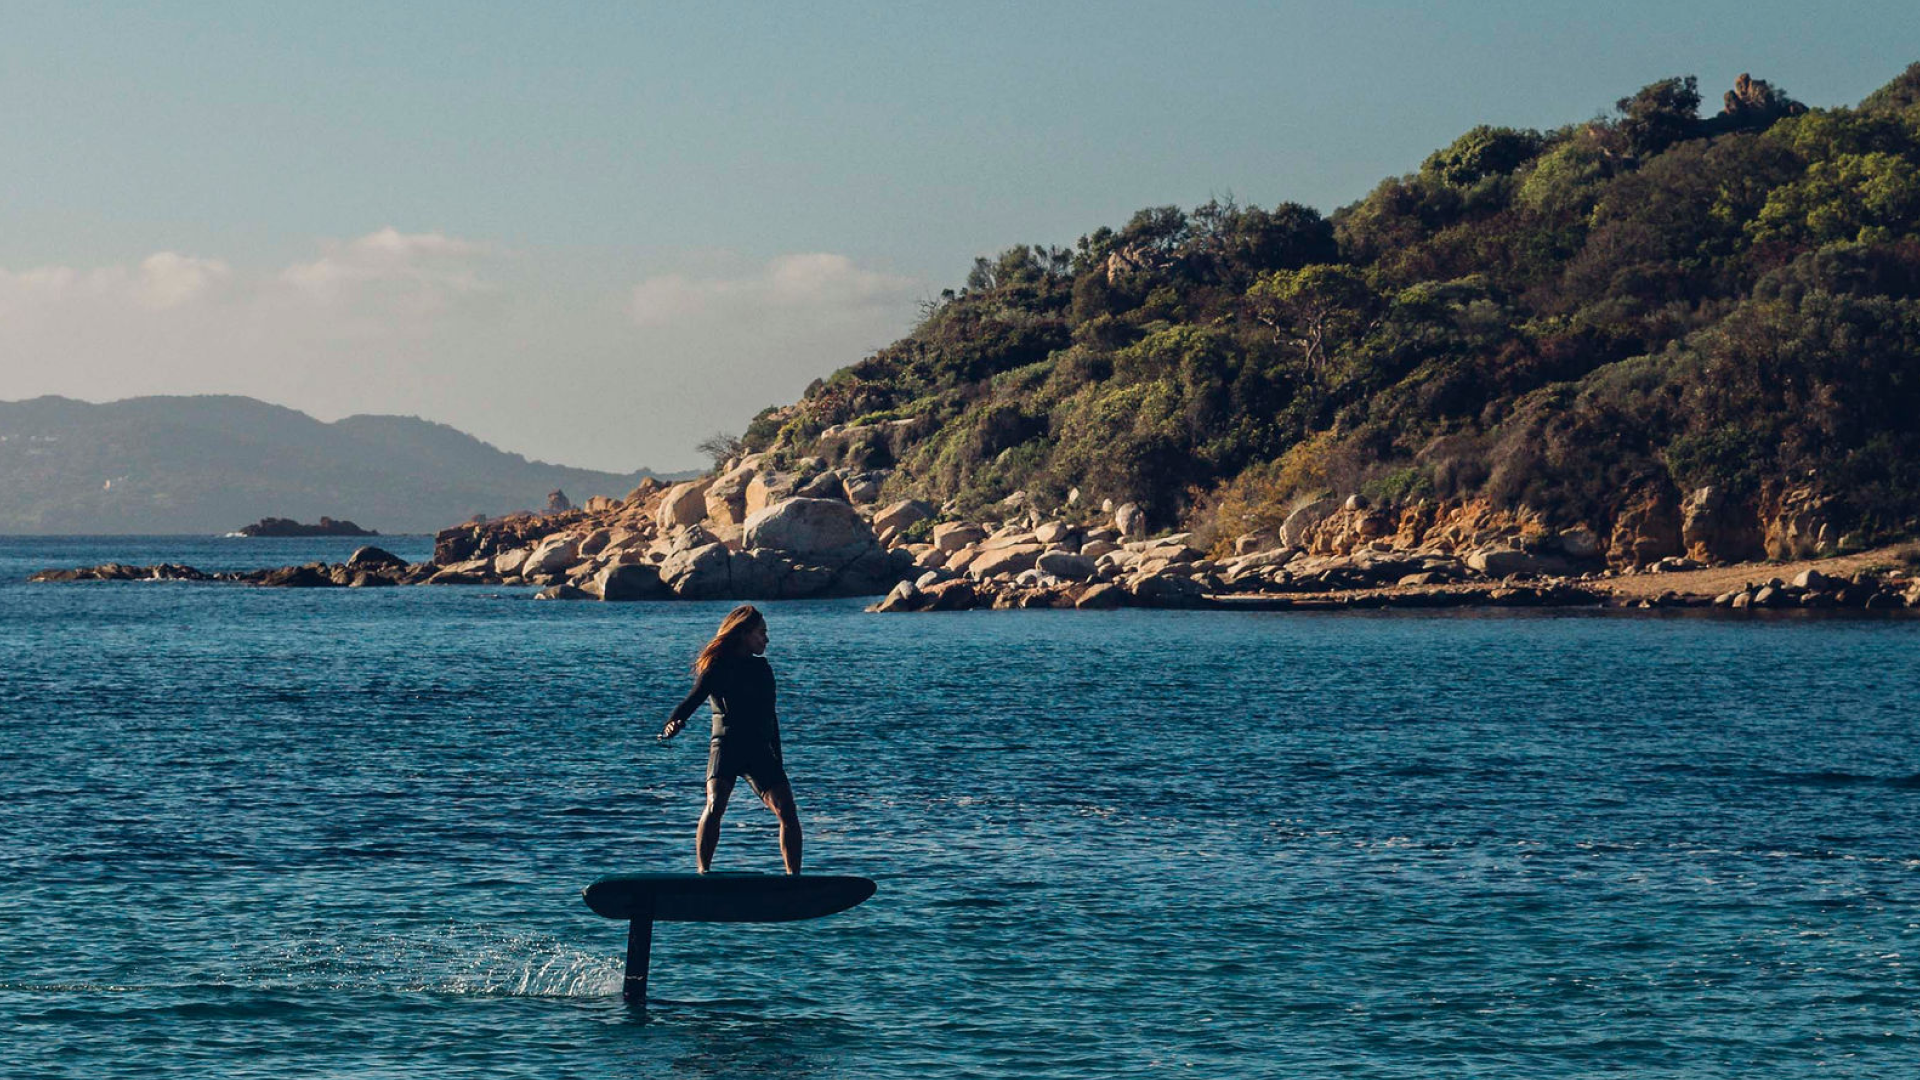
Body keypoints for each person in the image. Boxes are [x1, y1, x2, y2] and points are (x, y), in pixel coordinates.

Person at [659, 604, 802, 874]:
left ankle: (794, 878)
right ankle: (704, 873)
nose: (766, 639)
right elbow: (693, 699)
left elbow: (772, 718)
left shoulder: (763, 670)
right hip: (726, 747)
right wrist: (673, 723)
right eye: (762, 633)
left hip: (759, 751)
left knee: (788, 811)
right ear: (744, 633)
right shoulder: (718, 667)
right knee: (715, 804)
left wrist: (778, 760)